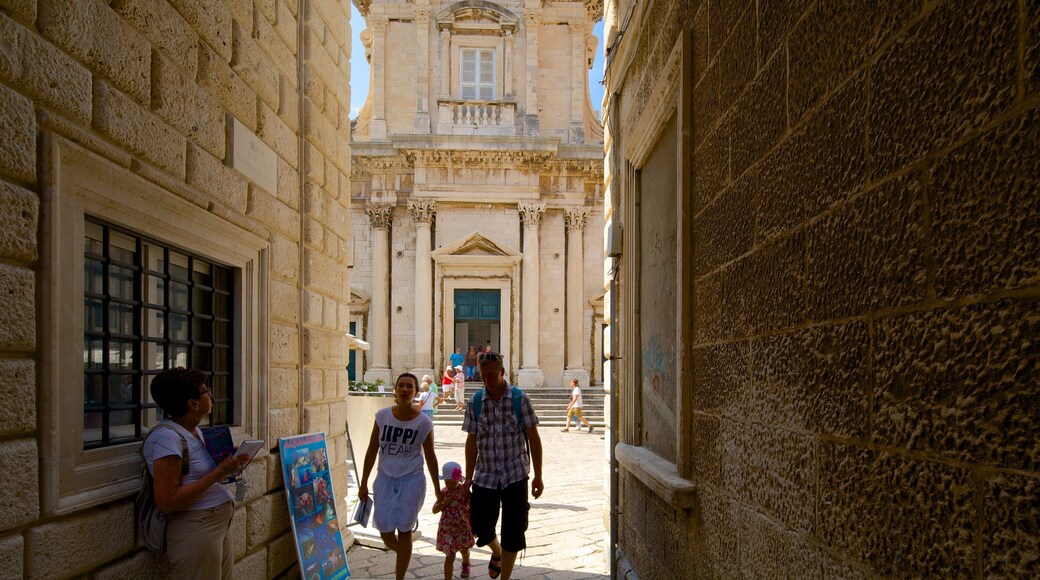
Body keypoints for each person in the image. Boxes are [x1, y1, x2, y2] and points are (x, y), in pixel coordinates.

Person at [143, 367, 250, 579]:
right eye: (205, 391)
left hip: (213, 526)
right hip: (196, 530)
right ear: (192, 403)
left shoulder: (194, 431)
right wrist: (220, 471)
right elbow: (167, 501)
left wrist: (230, 463)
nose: (211, 395)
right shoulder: (166, 439)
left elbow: (200, 475)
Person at [463, 351, 543, 580]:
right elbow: (471, 443)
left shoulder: (520, 399)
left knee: (513, 532)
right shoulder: (475, 402)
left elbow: (534, 439)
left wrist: (538, 476)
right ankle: (496, 553)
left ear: (502, 372)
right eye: (483, 375)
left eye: (491, 375)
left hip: (515, 474)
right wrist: (468, 477)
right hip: (485, 476)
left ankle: (505, 578)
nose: (487, 380)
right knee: (479, 526)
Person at [359, 373, 442, 580]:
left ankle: (400, 576)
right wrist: (363, 483)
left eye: (409, 387)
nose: (405, 389)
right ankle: (403, 552)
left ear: (415, 392)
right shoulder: (382, 416)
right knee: (385, 532)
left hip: (412, 481)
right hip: (384, 480)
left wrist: (438, 491)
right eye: (401, 386)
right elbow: (371, 451)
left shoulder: (423, 422)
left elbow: (431, 457)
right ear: (395, 390)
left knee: (405, 530)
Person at [432, 461, 474, 580]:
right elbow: (434, 510)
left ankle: (466, 563)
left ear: (458, 479)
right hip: (448, 531)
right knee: (449, 556)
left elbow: (472, 506)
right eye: (447, 482)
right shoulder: (443, 493)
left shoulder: (464, 491)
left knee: (464, 551)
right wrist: (443, 504)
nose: (450, 485)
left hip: (462, 528)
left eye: (453, 482)